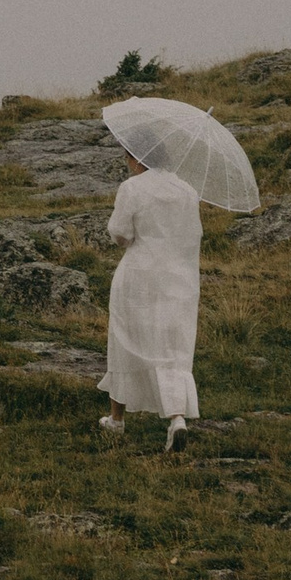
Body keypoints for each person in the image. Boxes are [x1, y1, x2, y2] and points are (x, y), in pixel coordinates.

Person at [99, 146, 200, 452]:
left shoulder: (132, 188)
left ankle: (116, 420)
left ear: (139, 158)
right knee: (172, 348)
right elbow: (193, 234)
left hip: (139, 276)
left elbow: (120, 234)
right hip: (179, 277)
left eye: (128, 157)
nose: (128, 164)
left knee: (125, 340)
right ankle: (177, 418)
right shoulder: (187, 190)